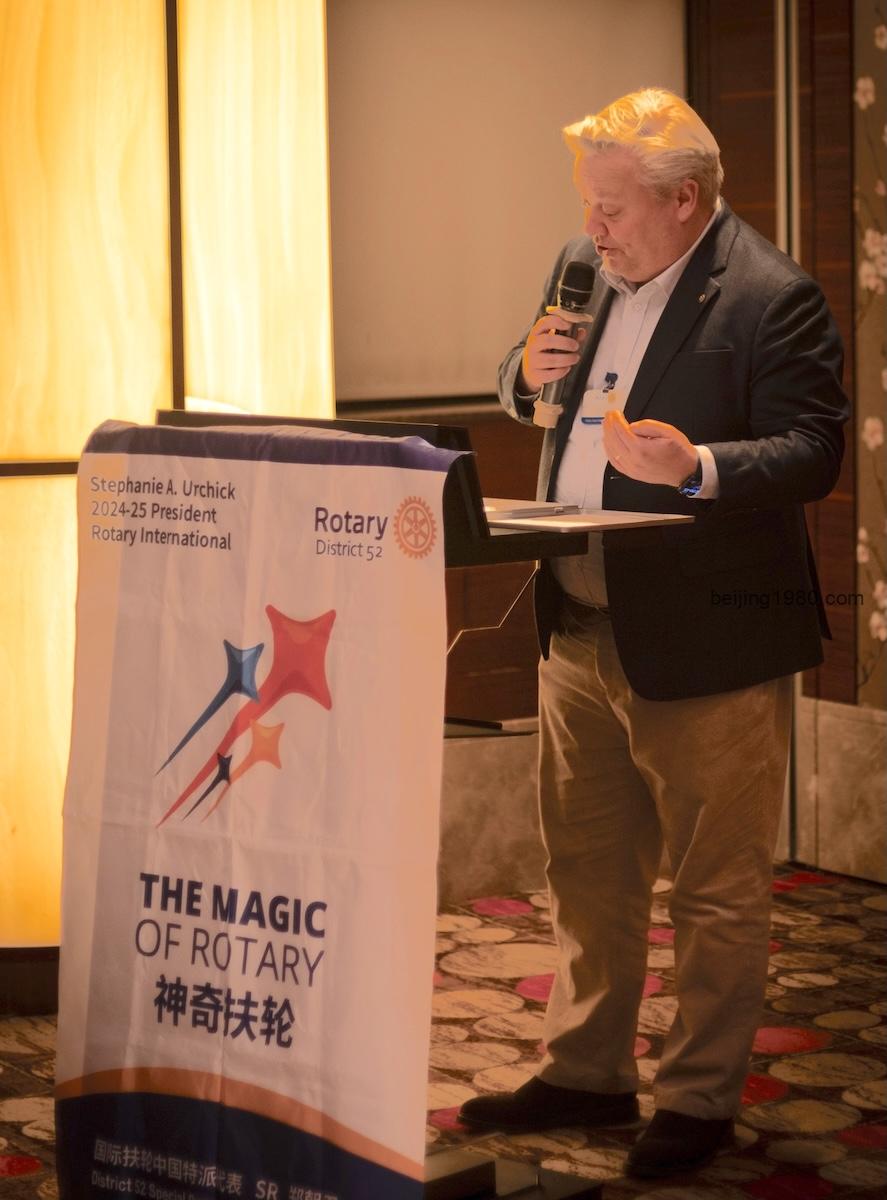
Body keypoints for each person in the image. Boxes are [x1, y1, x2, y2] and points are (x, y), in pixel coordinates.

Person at [457, 88, 848, 1178]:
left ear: (683, 200)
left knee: (714, 888)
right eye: (586, 204)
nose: (591, 227)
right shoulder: (579, 269)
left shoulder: (769, 296)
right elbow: (537, 393)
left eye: (612, 208)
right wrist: (519, 375)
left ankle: (697, 1097)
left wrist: (699, 468)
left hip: (705, 639)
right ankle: (585, 1070)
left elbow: (815, 450)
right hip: (578, 623)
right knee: (587, 870)